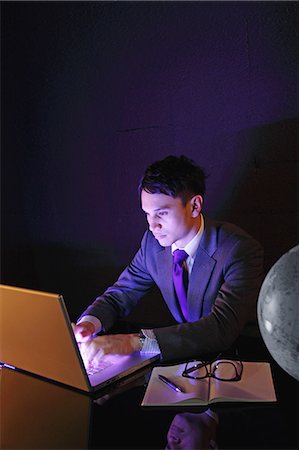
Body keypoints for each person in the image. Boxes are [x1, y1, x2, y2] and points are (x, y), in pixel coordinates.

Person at [73, 155, 264, 367]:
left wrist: (136, 343)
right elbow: (120, 295)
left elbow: (221, 328)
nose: (152, 225)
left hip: (241, 361)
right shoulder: (152, 245)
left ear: (194, 206)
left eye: (161, 213)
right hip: (190, 360)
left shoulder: (239, 250)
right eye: (147, 214)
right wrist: (88, 325)